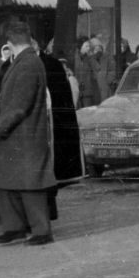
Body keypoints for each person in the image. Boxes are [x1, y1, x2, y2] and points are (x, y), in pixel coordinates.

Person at [0, 20, 57, 245]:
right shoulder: (26, 61)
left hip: (22, 134)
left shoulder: (26, 64)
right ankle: (14, 227)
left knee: (30, 185)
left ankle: (41, 232)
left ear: (10, 43)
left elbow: (20, 105)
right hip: (18, 134)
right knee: (8, 182)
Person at [38, 40, 84, 223]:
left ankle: (49, 207)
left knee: (48, 167)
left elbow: (63, 103)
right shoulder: (11, 64)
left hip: (49, 127)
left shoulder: (52, 65)